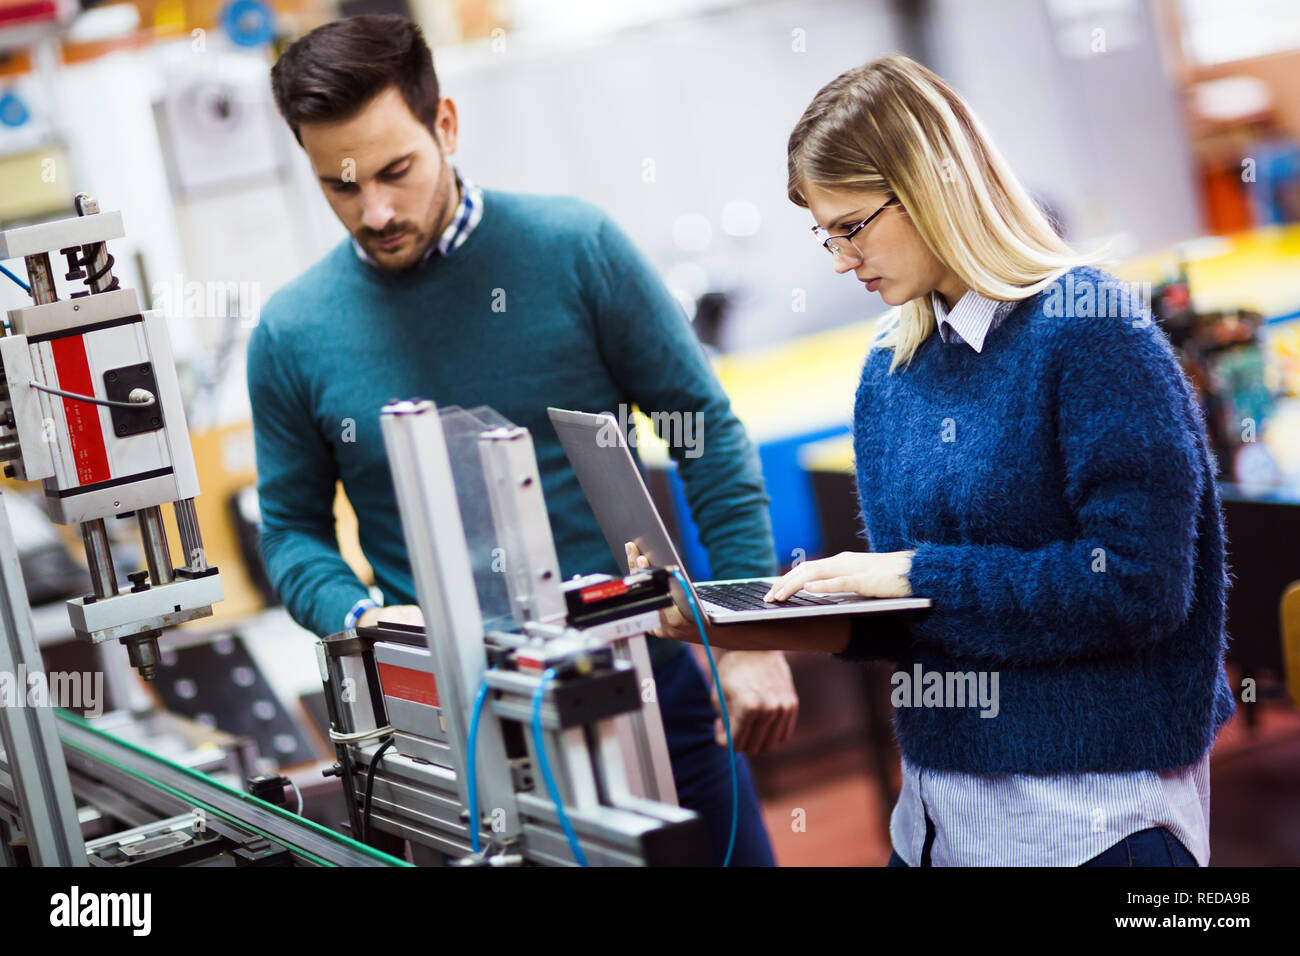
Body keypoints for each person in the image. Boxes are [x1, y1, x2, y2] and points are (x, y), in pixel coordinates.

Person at [635, 54, 1237, 867]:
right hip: (936, 823)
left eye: (851, 227)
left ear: (934, 182)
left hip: (1093, 825)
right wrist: (742, 627)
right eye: (825, 236)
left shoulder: (1094, 336)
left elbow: (1136, 589)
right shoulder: (891, 375)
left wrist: (916, 575)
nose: (842, 261)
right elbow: (928, 623)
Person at [248, 13, 798, 866]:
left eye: (397, 171)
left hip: (648, 692)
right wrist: (363, 618)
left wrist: (746, 633)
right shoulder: (291, 333)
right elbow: (289, 532)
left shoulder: (574, 249)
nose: (376, 211)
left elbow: (706, 432)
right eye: (342, 186)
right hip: (451, 735)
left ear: (447, 125)